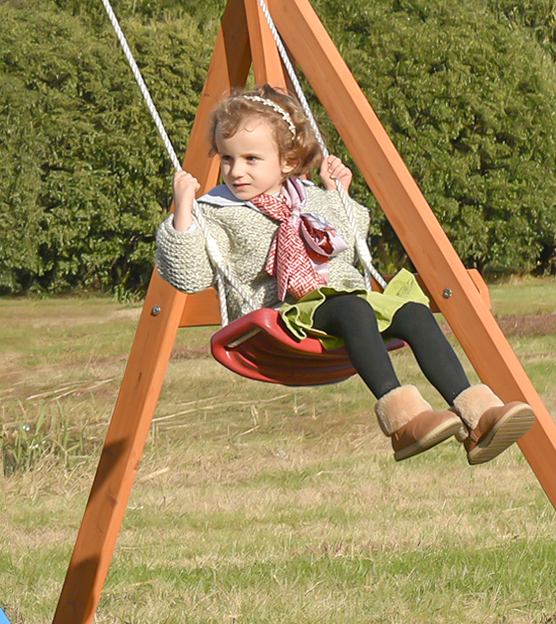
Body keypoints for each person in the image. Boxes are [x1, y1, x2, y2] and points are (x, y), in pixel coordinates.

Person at [156, 85, 535, 464]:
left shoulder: (311, 198)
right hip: (282, 313)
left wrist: (339, 193)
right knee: (353, 309)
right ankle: (404, 424)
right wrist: (184, 212)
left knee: (412, 312)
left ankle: (477, 416)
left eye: (251, 159)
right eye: (227, 158)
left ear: (288, 161)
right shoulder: (216, 211)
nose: (236, 171)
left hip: (342, 301)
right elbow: (187, 276)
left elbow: (351, 248)